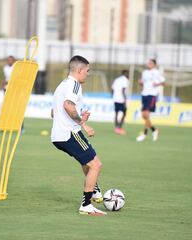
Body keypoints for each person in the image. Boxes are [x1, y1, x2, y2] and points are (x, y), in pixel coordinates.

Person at [51, 55, 106, 216]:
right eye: (87, 71)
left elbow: (54, 112)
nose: (88, 74)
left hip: (59, 135)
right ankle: (86, 205)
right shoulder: (74, 85)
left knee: (87, 162)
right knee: (96, 165)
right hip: (69, 134)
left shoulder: (62, 85)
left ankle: (94, 191)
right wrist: (83, 124)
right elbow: (68, 105)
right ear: (80, 70)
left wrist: (80, 116)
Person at [136, 58, 165, 142]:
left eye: (151, 63)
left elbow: (163, 82)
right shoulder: (145, 72)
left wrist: (157, 84)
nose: (149, 64)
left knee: (147, 115)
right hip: (144, 94)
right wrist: (141, 83)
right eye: (148, 63)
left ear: (154, 64)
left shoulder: (157, 72)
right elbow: (143, 84)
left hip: (152, 95)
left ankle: (144, 134)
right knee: (143, 115)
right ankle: (154, 130)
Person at [111, 70, 129, 135]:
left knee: (116, 113)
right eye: (128, 74)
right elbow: (123, 90)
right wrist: (125, 100)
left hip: (115, 99)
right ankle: (120, 128)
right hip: (121, 99)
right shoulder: (125, 80)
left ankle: (116, 128)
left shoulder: (117, 79)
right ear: (126, 73)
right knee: (124, 113)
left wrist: (113, 96)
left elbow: (112, 89)